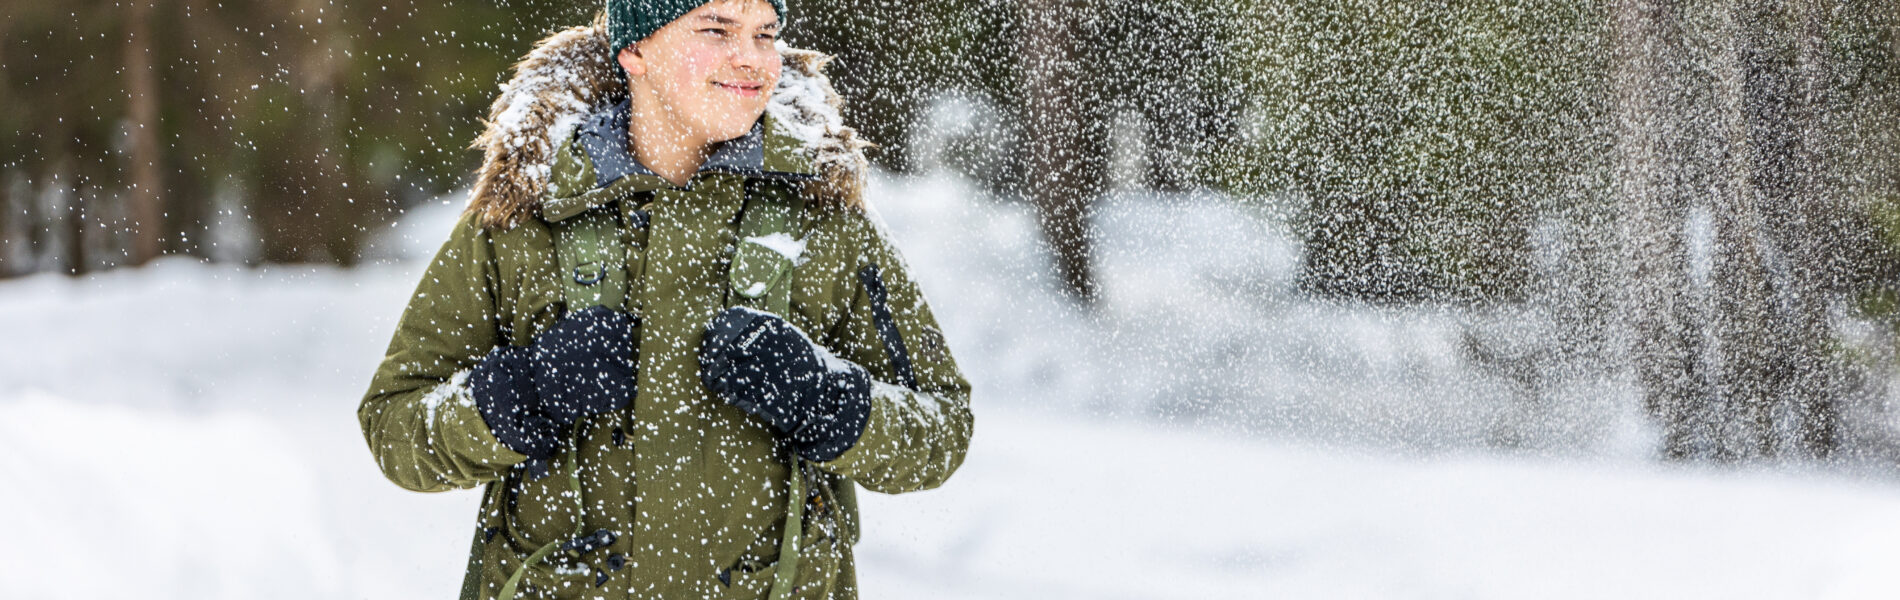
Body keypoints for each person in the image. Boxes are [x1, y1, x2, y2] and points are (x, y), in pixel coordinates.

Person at [355, 1, 974, 598]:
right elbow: (394, 426)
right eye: (716, 29)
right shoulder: (524, 217)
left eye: (765, 32)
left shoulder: (825, 219)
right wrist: (524, 393)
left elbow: (943, 426)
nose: (751, 59)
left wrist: (828, 402)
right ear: (635, 50)